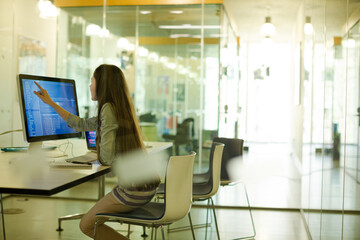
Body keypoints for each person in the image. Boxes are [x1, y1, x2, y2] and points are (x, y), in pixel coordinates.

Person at [34, 64, 160, 240]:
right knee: (92, 222)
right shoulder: (118, 106)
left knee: (87, 225)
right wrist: (50, 103)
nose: (90, 85)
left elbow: (107, 159)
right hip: (146, 188)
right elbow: (82, 124)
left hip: (132, 192)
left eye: (92, 81)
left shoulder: (108, 108)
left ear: (102, 85)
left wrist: (96, 152)